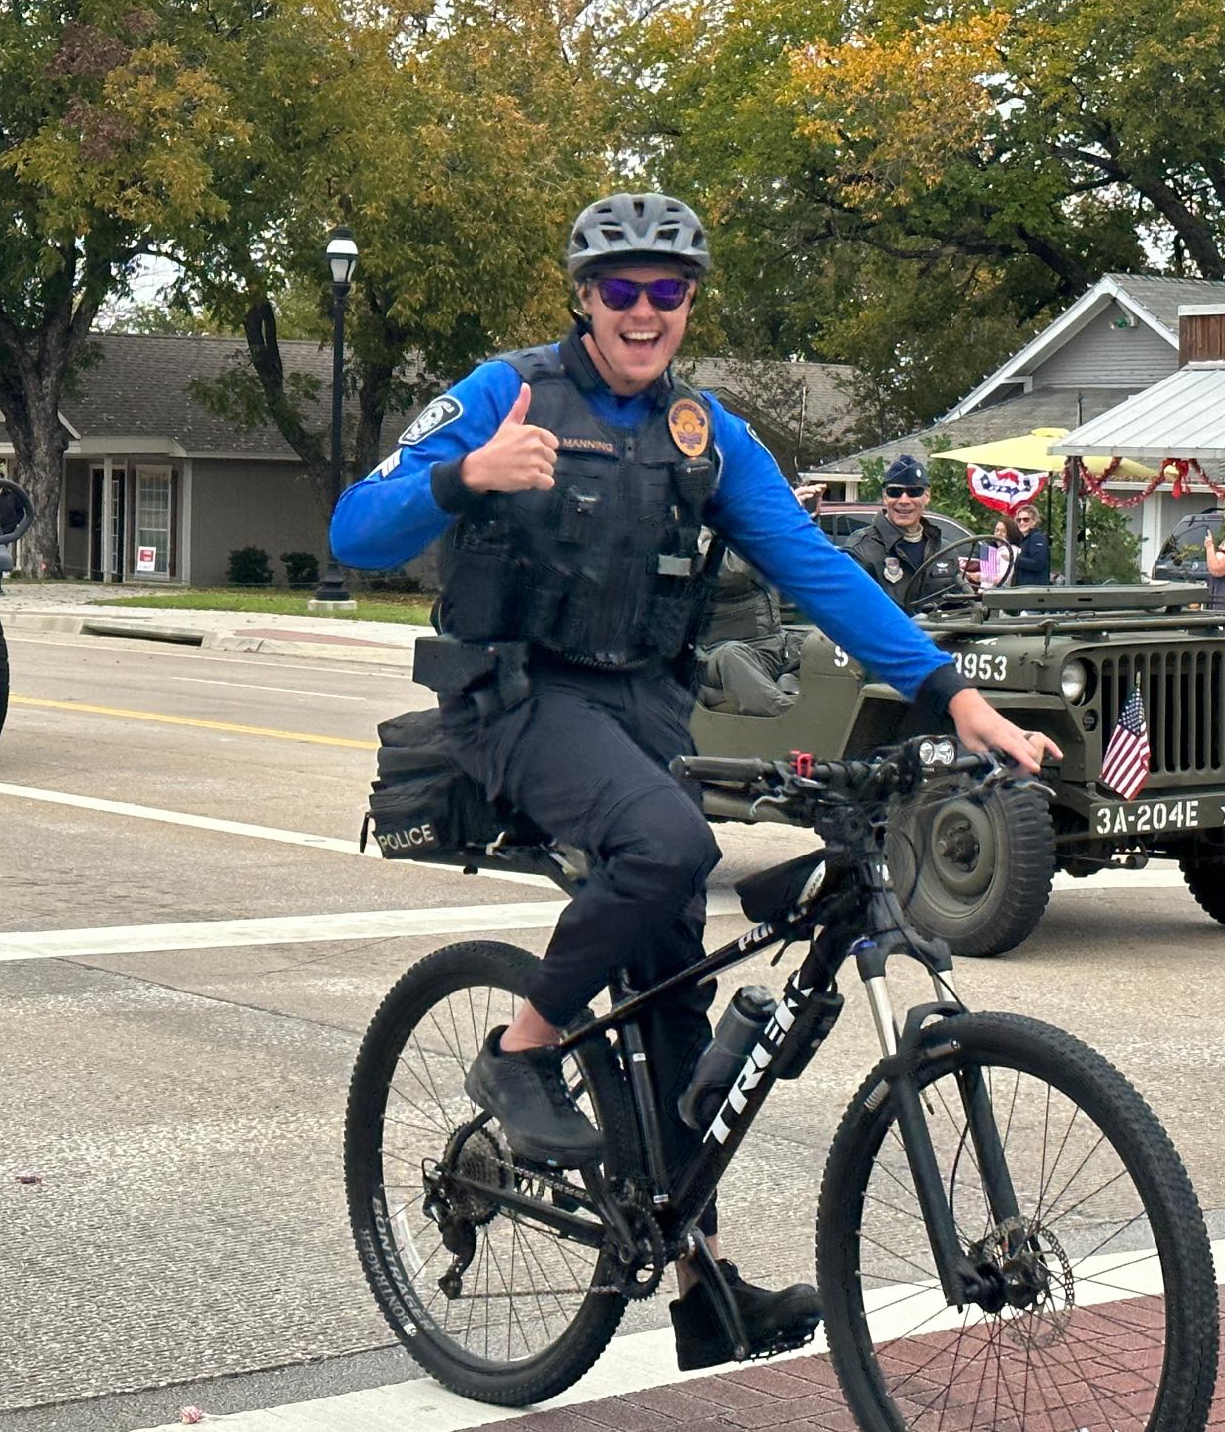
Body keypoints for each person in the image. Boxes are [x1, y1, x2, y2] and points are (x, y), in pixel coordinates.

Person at [331, 191, 1058, 1371]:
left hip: (642, 707)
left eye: (665, 292)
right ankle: (521, 1049)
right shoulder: (506, 393)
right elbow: (356, 528)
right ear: (583, 297)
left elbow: (815, 566)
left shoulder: (702, 434)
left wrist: (950, 695)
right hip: (515, 697)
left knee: (672, 987)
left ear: (687, 306)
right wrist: (466, 475)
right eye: (620, 290)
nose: (643, 311)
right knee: (672, 846)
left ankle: (700, 1283)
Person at [693, 483, 822, 717]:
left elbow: (800, 567)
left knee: (822, 644)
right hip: (720, 650)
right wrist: (775, 519)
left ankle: (794, 688)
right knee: (732, 656)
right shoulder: (696, 527)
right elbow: (729, 569)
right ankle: (791, 719)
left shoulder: (750, 522)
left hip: (773, 643)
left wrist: (799, 522)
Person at [846, 454, 966, 608]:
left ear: (927, 496)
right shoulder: (861, 549)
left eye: (914, 492)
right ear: (885, 496)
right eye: (894, 492)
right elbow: (850, 607)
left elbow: (960, 606)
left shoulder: (944, 550)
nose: (904, 501)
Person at [1011, 501, 1051, 586]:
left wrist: (1014, 559)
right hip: (1025, 588)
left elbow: (1038, 563)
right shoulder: (1024, 540)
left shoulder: (1037, 537)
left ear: (1034, 521)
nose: (1021, 522)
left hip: (1034, 589)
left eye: (1026, 520)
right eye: (1019, 520)